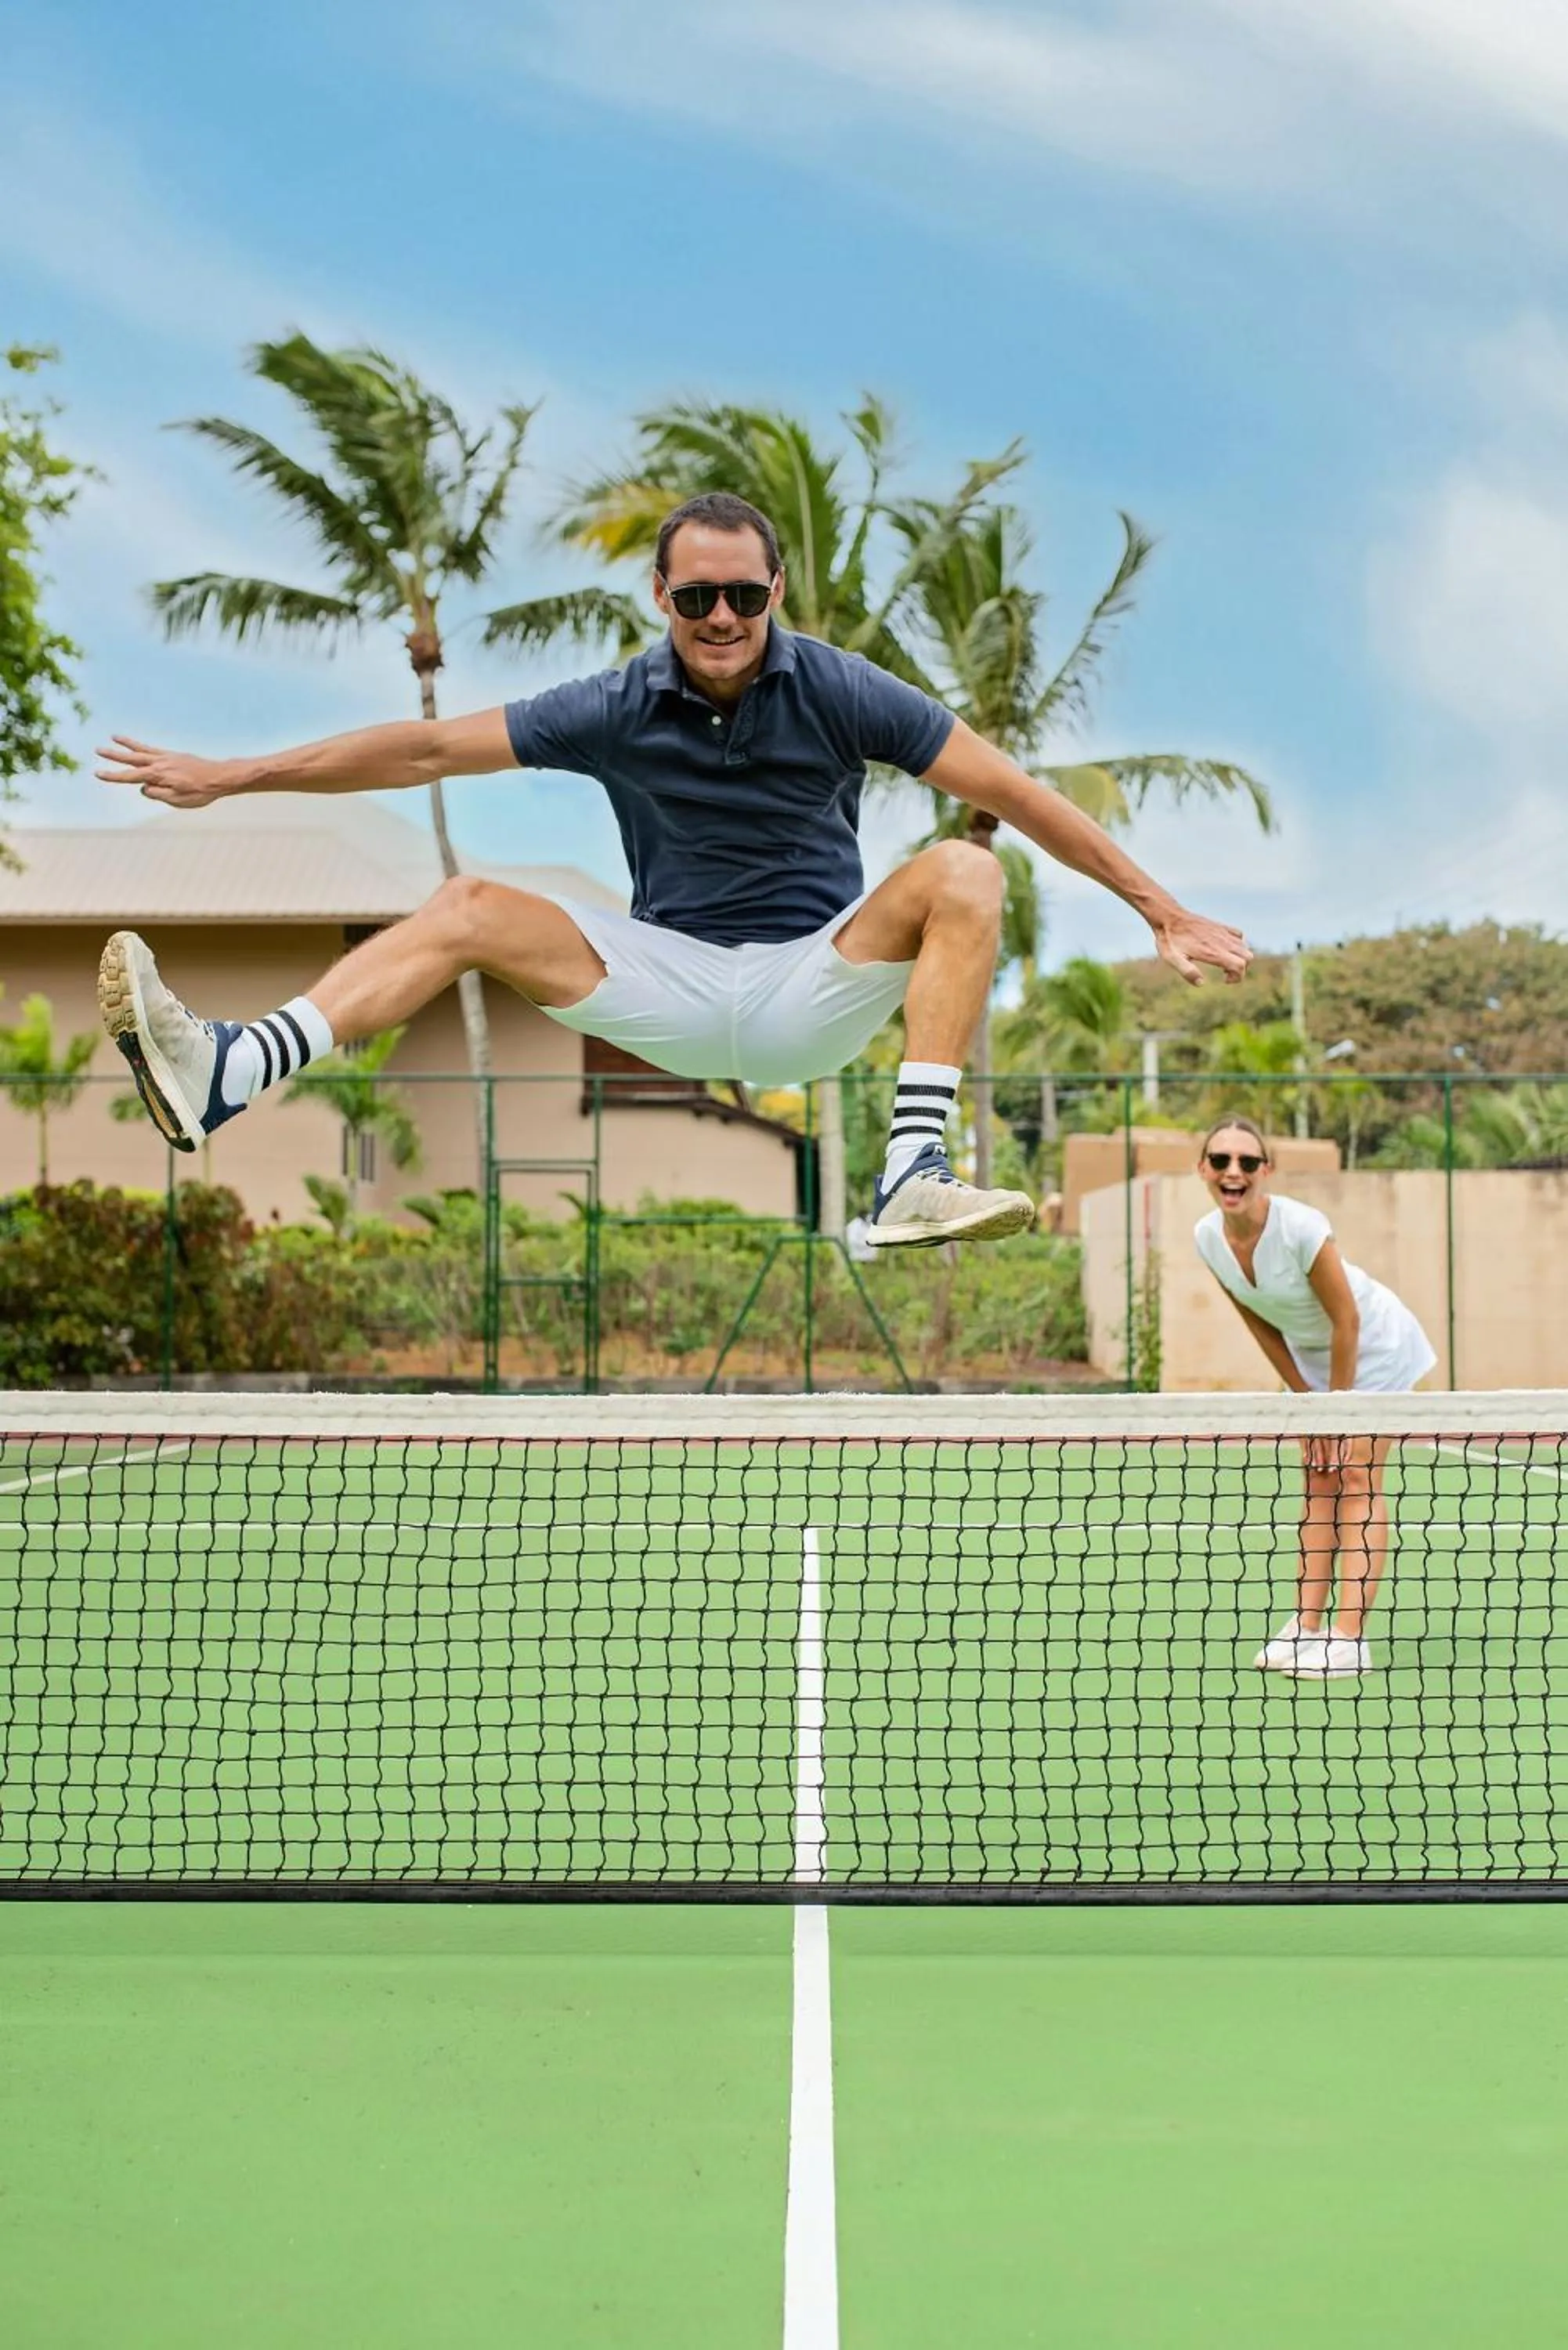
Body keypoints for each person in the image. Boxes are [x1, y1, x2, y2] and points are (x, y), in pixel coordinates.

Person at [96, 490, 1252, 1248]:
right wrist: (232, 774)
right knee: (467, 905)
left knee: (964, 866)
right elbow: (425, 746)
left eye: (741, 595)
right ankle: (230, 1073)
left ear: (773, 595)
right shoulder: (610, 705)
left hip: (812, 983)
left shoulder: (841, 688)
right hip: (664, 983)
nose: (719, 615)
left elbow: (1014, 794)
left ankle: (911, 1171)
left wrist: (1162, 909)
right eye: (694, 595)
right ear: (661, 598)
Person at [1193, 1115, 1436, 1679]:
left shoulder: (1302, 1227)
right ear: (1203, 1170)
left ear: (1266, 1171)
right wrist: (1305, 1402)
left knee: (1356, 1475)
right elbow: (1257, 1321)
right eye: (1222, 1161)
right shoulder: (1208, 1236)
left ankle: (1349, 1637)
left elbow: (1346, 1319)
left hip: (1372, 1346)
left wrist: (1336, 1409)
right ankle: (1307, 1625)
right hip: (1312, 1357)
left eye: (1248, 1162)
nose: (1235, 1172)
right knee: (1318, 1475)